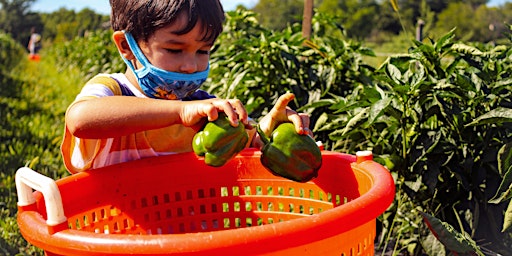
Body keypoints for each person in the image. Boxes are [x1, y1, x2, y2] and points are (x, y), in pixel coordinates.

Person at [61, 0, 312, 173]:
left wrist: (268, 129)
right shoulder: (113, 90)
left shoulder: (203, 108)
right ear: (126, 46)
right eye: (174, 49)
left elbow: (245, 140)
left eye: (203, 51)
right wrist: (179, 112)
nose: (191, 66)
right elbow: (81, 119)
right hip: (115, 238)